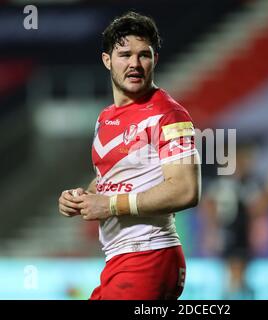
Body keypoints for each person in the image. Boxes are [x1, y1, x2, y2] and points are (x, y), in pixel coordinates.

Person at [58, 11, 201, 300]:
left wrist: (109, 206)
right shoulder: (105, 117)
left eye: (144, 55)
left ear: (155, 60)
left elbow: (186, 190)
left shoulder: (169, 114)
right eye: (125, 54)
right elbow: (112, 181)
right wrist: (81, 197)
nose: (135, 64)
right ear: (107, 60)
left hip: (149, 256)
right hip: (119, 261)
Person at [201, 143, 268, 299]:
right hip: (232, 232)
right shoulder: (230, 183)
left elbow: (257, 208)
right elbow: (208, 204)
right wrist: (212, 228)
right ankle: (234, 293)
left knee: (238, 273)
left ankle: (236, 293)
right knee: (235, 272)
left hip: (238, 232)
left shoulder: (239, 183)